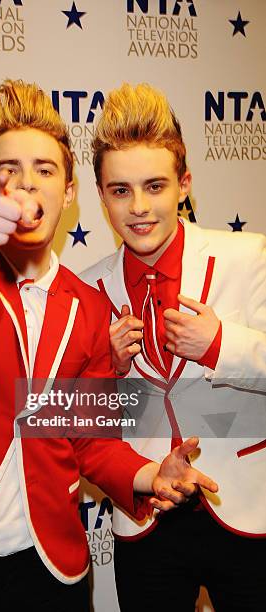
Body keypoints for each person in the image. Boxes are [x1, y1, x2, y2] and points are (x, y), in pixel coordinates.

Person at [0, 79, 217, 611]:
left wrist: (152, 474)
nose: (26, 185)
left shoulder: (89, 307)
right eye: (7, 171)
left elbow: (91, 442)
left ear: (73, 192)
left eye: (45, 170)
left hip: (48, 563)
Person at [81, 82, 266, 611]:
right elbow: (72, 424)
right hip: (146, 514)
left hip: (246, 505)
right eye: (120, 191)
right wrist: (108, 372)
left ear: (184, 185)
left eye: (155, 186)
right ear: (100, 195)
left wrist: (221, 345)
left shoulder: (246, 256)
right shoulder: (86, 287)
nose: (139, 208)